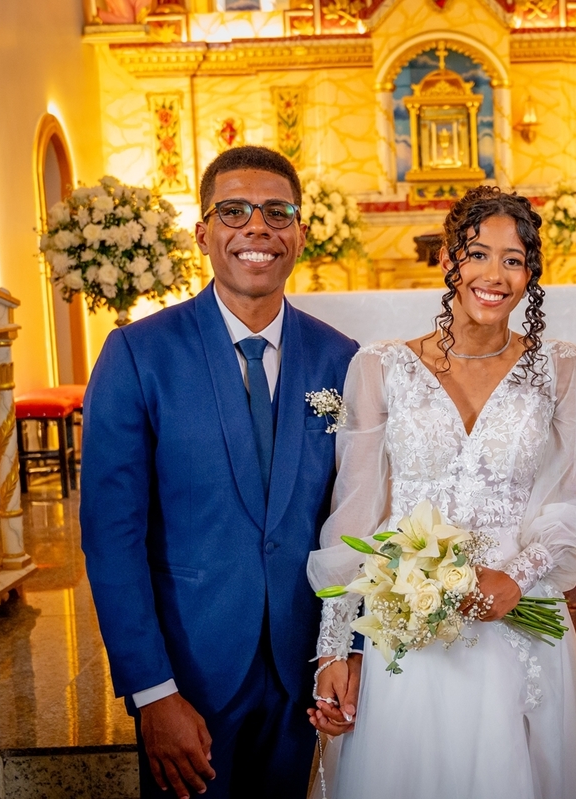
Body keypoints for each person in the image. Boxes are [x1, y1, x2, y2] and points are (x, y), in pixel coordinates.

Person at [305, 186, 576, 799]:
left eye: (513, 259)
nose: (494, 275)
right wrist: (333, 651)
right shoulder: (380, 367)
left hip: (521, 619)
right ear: (448, 259)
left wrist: (518, 577)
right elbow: (356, 518)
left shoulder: (559, 368)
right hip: (410, 628)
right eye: (478, 254)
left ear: (531, 273)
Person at [81, 145, 358, 798]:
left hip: (301, 672)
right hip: (189, 676)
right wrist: (153, 691)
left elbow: (355, 520)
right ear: (203, 232)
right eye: (233, 210)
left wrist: (344, 650)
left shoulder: (340, 358)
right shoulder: (137, 354)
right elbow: (111, 538)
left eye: (276, 211)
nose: (257, 227)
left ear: (301, 233)